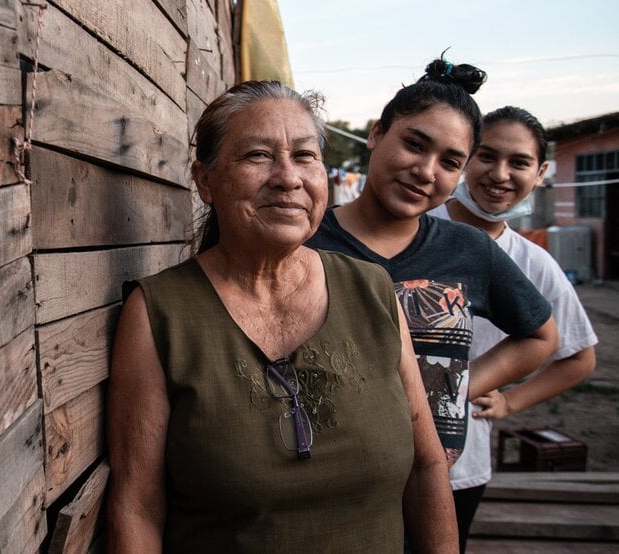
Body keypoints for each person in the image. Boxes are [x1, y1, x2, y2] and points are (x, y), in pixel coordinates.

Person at [106, 80, 458, 553]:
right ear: (206, 180)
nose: (288, 178)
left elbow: (427, 467)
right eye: (258, 155)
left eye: (305, 156)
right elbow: (138, 506)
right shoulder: (160, 313)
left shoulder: (372, 290)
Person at [306, 57, 560, 473]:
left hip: (429, 484)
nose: (425, 171)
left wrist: (455, 387)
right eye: (414, 145)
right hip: (322, 479)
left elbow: (541, 337)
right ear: (376, 134)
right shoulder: (307, 241)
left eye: (449, 162)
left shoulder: (469, 249)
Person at [430, 105, 597, 552]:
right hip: (372, 442)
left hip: (458, 463)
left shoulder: (533, 263)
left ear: (541, 172)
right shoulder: (415, 226)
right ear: (465, 157)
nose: (499, 174)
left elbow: (579, 357)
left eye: (519, 162)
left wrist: (508, 401)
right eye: (486, 156)